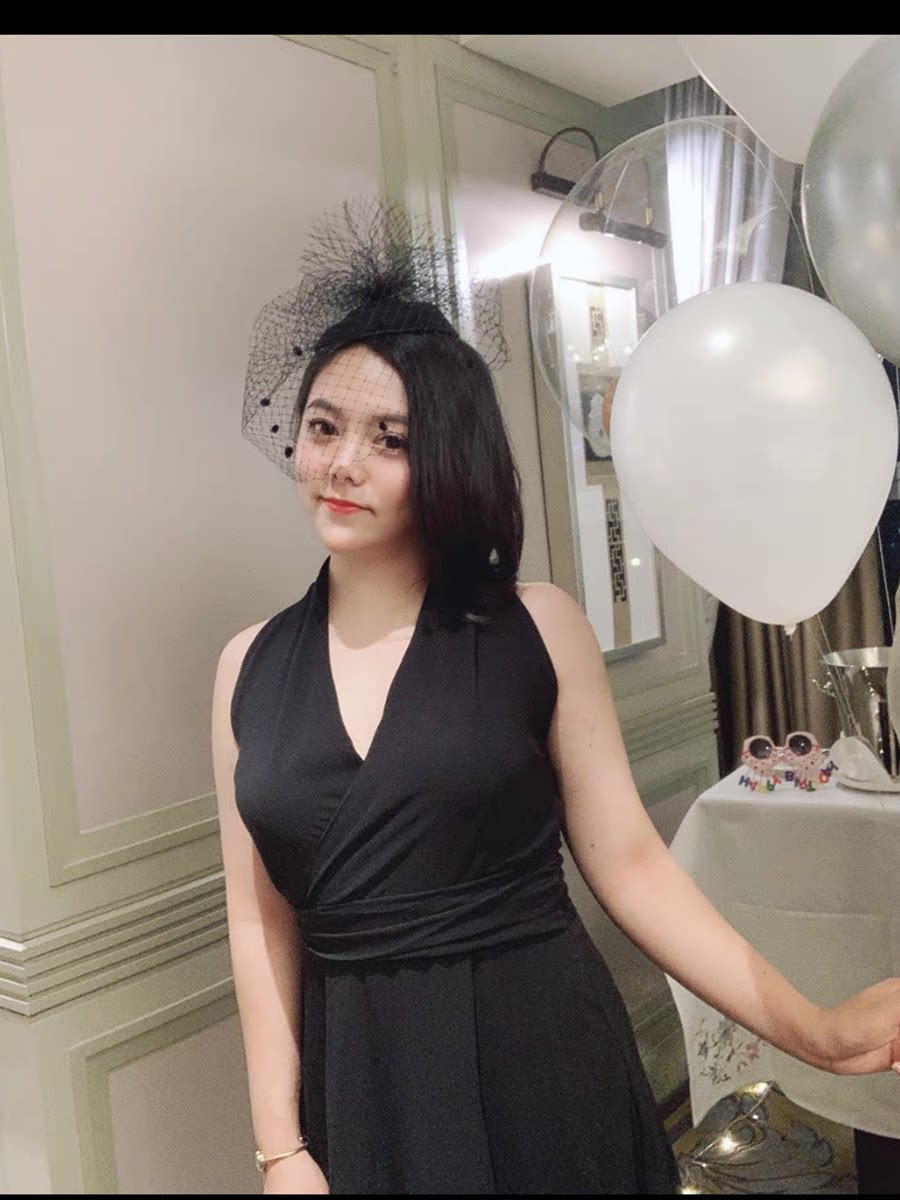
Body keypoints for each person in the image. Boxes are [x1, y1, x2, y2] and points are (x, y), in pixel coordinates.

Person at [211, 199, 900, 1195]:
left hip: (538, 1058)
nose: (342, 464)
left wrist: (817, 1031)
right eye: (324, 428)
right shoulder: (247, 666)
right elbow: (259, 921)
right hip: (359, 1078)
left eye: (390, 439)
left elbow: (634, 869)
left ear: (444, 457)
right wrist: (280, 1147)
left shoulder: (536, 627)